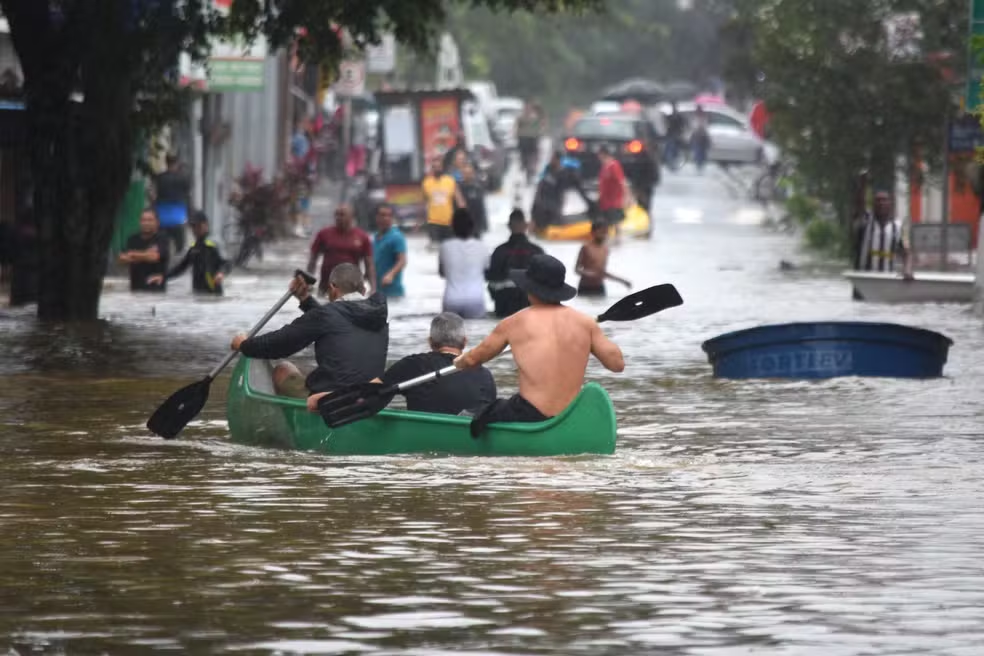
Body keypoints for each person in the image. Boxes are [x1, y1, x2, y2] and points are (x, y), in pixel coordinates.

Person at [453, 253, 624, 435]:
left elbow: (473, 360)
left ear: (529, 288)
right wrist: (591, 331)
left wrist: (458, 361)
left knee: (477, 414)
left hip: (529, 414)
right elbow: (617, 364)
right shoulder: (585, 323)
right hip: (569, 415)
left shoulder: (514, 323)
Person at [231, 264, 389, 398]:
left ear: (332, 288)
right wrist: (305, 299)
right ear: (363, 290)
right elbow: (337, 319)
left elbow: (279, 345)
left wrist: (244, 345)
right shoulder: (378, 316)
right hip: (369, 400)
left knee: (283, 369)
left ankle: (290, 426)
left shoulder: (327, 316)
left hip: (332, 403)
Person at [377, 312, 496, 415]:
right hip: (468, 437)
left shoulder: (413, 365)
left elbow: (372, 390)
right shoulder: (485, 375)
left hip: (423, 437)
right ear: (464, 342)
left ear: (430, 342)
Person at [148, 211, 229, 294]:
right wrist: (163, 277)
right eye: (193, 226)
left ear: (205, 225)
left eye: (198, 226)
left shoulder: (214, 244)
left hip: (214, 294)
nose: (195, 230)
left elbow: (227, 263)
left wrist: (221, 273)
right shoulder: (193, 248)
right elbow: (180, 268)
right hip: (198, 293)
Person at [308, 203, 376, 297]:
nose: (338, 217)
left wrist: (373, 288)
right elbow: (313, 260)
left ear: (351, 217)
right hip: (326, 287)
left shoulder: (362, 236)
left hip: (351, 289)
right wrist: (308, 282)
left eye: (342, 214)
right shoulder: (323, 234)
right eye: (336, 214)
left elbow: (369, 265)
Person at [486, 209, 544, 318]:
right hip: (530, 307)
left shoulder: (499, 251)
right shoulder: (537, 251)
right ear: (526, 225)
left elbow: (490, 281)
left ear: (508, 226)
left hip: (504, 307)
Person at [852, 185, 913, 278]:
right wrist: (862, 185)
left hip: (886, 280)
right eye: (878, 200)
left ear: (890, 203)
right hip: (863, 280)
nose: (881, 203)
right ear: (873, 204)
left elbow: (907, 252)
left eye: (884, 200)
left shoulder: (898, 226)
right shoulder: (865, 221)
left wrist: (907, 270)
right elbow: (859, 205)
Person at [439, 209, 489, 319]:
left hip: (451, 300)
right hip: (475, 299)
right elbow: (486, 272)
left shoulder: (445, 246)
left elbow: (442, 273)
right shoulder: (482, 247)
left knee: (450, 334)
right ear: (472, 227)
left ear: (452, 227)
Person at [531, 152, 594, 231]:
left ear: (559, 160)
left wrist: (589, 202)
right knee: (541, 215)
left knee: (554, 221)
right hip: (543, 205)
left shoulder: (565, 173)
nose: (551, 160)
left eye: (553, 159)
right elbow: (540, 188)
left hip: (555, 206)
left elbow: (577, 187)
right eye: (551, 158)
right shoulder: (548, 170)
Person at [574, 220, 632, 297]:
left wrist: (622, 281)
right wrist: (589, 273)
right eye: (601, 232)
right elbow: (577, 269)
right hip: (585, 287)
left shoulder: (605, 249)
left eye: (606, 232)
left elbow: (603, 273)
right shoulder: (586, 247)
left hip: (600, 287)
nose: (604, 234)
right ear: (593, 232)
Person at [119, 208, 169, 292]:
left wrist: (133, 255)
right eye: (143, 220)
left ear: (157, 222)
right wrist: (146, 255)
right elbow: (121, 259)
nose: (146, 223)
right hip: (135, 290)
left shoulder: (162, 238)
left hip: (156, 291)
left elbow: (154, 257)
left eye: (150, 220)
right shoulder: (132, 239)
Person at [153, 154, 191, 254]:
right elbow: (187, 196)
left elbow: (153, 195)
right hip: (178, 216)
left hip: (162, 216)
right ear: (177, 163)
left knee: (161, 245)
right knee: (180, 247)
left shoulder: (159, 178)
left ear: (166, 162)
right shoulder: (183, 178)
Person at [421, 157, 463, 247]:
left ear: (442, 167)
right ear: (432, 168)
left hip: (448, 222)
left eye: (438, 166)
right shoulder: (426, 182)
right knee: (435, 249)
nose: (437, 169)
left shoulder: (450, 181)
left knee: (449, 248)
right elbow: (423, 202)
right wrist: (420, 219)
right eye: (434, 167)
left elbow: (460, 200)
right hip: (433, 222)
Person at [372, 204, 408, 299]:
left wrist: (390, 275)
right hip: (378, 291)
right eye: (383, 215)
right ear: (376, 217)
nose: (386, 218)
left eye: (389, 215)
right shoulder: (375, 237)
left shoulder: (396, 236)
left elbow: (402, 261)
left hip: (394, 292)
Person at [597, 146, 628, 234]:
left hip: (614, 201)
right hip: (605, 201)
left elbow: (622, 182)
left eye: (600, 156)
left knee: (616, 222)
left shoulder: (614, 166)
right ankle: (608, 239)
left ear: (603, 155)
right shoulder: (604, 167)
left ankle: (617, 240)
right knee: (607, 222)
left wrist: (626, 197)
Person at [516, 102, 544, 184]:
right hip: (525, 140)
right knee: (526, 155)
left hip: (531, 140)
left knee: (532, 155)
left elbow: (540, 127)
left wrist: (539, 133)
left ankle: (530, 168)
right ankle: (526, 165)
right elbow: (517, 128)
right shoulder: (522, 118)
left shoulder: (531, 118)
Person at [458, 164, 488, 235]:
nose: (467, 175)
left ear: (473, 174)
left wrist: (484, 224)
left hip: (476, 224)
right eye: (465, 173)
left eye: (469, 173)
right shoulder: (458, 188)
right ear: (462, 174)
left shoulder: (477, 188)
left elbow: (481, 207)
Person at [692, 105, 711, 172]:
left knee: (701, 151)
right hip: (699, 136)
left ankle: (700, 163)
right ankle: (699, 163)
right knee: (699, 150)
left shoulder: (703, 117)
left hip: (701, 136)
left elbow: (704, 126)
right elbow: (695, 126)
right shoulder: (696, 117)